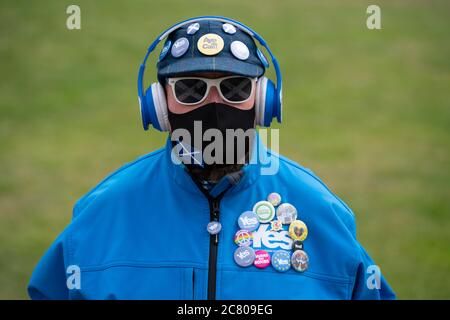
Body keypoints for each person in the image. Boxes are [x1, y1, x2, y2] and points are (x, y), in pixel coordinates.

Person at [28, 16, 395, 300]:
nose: (214, 106)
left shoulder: (322, 213)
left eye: (235, 88)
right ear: (160, 107)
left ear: (263, 102)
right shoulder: (102, 213)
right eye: (191, 89)